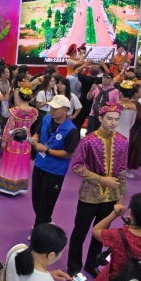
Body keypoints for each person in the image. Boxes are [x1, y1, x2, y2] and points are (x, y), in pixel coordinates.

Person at [68, 103, 128, 276]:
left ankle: (92, 263)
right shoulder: (88, 140)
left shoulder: (123, 141)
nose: (113, 123)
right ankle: (74, 267)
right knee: (80, 231)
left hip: (111, 196)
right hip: (89, 194)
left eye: (116, 119)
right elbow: (77, 166)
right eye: (109, 118)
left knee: (102, 232)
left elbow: (122, 170)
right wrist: (101, 179)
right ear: (100, 118)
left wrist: (121, 198)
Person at [30, 95, 80, 226]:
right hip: (39, 165)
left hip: (54, 172)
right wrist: (34, 139)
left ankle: (39, 230)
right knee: (36, 199)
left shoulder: (71, 130)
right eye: (51, 107)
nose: (52, 110)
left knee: (46, 204)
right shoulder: (46, 118)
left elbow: (68, 154)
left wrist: (46, 150)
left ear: (66, 110)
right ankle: (45, 223)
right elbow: (37, 133)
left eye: (56, 108)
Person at [0, 84, 36, 195]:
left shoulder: (14, 111)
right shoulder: (34, 112)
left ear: (19, 97)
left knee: (11, 162)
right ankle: (19, 187)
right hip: (26, 140)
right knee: (22, 163)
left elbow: (10, 127)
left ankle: (7, 186)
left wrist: (4, 140)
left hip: (14, 140)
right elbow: (31, 125)